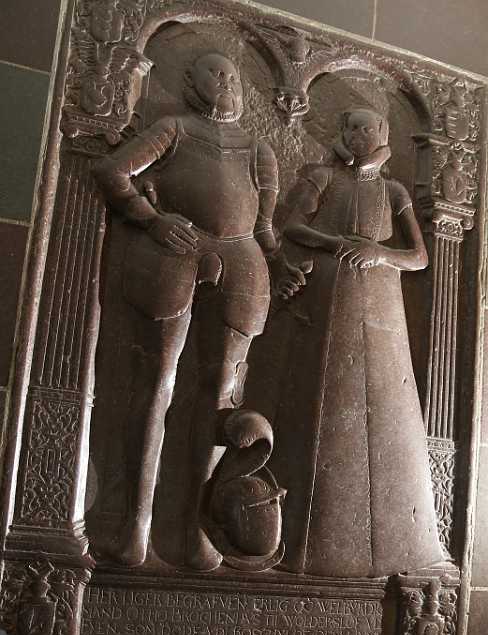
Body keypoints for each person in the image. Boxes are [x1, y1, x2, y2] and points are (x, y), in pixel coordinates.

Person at [93, 52, 306, 570]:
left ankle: (192, 529)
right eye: (215, 71)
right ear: (190, 80)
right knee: (156, 384)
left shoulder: (258, 150)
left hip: (242, 262)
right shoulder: (174, 129)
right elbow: (112, 170)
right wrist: (152, 218)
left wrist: (281, 264)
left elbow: (264, 228)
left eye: (232, 75)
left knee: (219, 399)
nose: (226, 80)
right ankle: (134, 527)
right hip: (174, 251)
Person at [282, 108, 445, 577]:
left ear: (382, 134)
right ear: (342, 133)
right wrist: (336, 244)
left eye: (367, 128)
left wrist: (378, 252)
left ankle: (398, 542)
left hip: (382, 305)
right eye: (351, 126)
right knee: (324, 398)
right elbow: (293, 226)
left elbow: (418, 256)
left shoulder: (393, 191)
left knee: (385, 403)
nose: (358, 134)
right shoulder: (322, 177)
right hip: (330, 294)